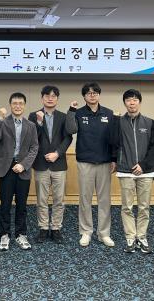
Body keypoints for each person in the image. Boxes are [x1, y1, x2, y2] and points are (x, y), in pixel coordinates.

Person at [66, 82, 119, 248]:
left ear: (99, 95)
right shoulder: (79, 113)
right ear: (84, 96)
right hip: (85, 162)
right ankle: (86, 231)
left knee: (104, 200)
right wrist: (71, 111)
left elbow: (114, 139)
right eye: (89, 93)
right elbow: (70, 130)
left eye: (95, 92)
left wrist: (114, 159)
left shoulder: (109, 113)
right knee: (85, 198)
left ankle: (104, 233)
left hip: (104, 162)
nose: (92, 95)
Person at [0, 92, 38, 251]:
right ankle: (4, 234)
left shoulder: (31, 125)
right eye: (15, 103)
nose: (18, 106)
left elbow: (34, 148)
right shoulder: (3, 122)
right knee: (5, 204)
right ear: (10, 105)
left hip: (23, 169)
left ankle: (21, 234)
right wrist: (0, 119)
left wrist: (24, 165)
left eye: (20, 103)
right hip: (6, 168)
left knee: (21, 204)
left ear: (24, 106)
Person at [115, 89, 154, 254]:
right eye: (128, 100)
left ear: (139, 102)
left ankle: (142, 236)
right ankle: (130, 237)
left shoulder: (150, 123)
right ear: (124, 103)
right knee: (127, 206)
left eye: (135, 99)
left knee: (144, 206)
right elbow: (113, 143)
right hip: (125, 171)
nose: (132, 102)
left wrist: (143, 165)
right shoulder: (118, 122)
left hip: (145, 172)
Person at [28, 85, 73, 244]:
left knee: (59, 199)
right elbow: (31, 138)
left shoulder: (63, 116)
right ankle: (43, 228)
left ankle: (55, 228)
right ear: (42, 98)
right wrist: (39, 123)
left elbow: (68, 138)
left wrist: (57, 153)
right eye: (47, 95)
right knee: (41, 199)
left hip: (59, 164)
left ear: (57, 99)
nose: (50, 98)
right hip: (40, 164)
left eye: (53, 96)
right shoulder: (33, 115)